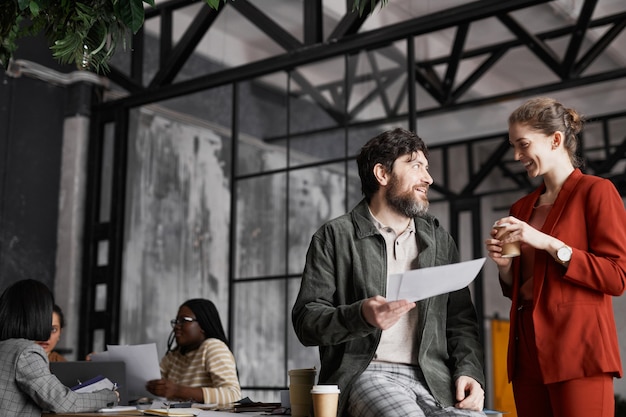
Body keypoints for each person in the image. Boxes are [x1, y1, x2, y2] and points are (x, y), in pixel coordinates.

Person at [292, 128, 486, 417]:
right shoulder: (335, 236)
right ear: (382, 174)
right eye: (416, 165)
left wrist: (470, 372)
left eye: (427, 168)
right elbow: (307, 321)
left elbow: (460, 321)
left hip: (434, 378)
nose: (428, 179)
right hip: (367, 373)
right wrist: (361, 316)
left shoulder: (438, 239)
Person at [484, 97, 626, 417]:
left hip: (579, 350)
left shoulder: (597, 191)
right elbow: (521, 288)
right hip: (527, 354)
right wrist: (506, 268)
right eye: (513, 146)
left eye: (523, 145)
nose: (517, 156)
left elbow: (616, 277)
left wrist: (547, 242)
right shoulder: (520, 208)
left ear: (556, 140)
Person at [0, 279, 118, 417]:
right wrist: (110, 396)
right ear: (39, 314)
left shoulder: (5, 347)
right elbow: (62, 402)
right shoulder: (26, 352)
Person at [146, 298, 241, 405]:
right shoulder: (173, 356)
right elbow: (154, 388)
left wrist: (178, 391)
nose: (177, 327)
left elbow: (233, 395)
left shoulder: (213, 347)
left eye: (183, 321)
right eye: (176, 321)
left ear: (203, 326)